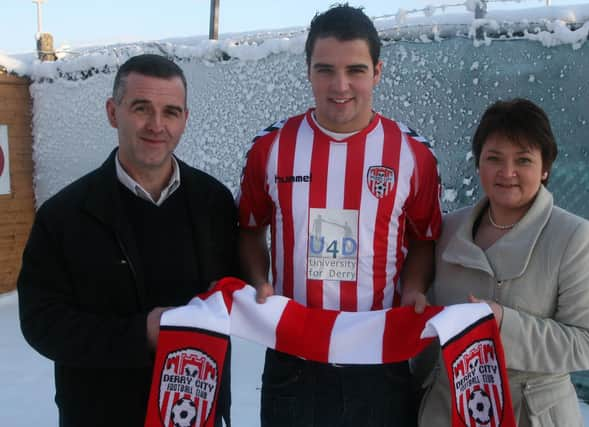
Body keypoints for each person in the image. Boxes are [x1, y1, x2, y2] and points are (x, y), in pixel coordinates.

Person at [236, 4, 442, 427]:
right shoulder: (270, 148)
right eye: (326, 69)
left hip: (379, 356)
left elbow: (424, 238)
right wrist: (260, 282)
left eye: (356, 70)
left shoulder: (413, 154)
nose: (341, 85)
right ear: (308, 71)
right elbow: (250, 230)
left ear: (378, 72)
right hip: (294, 356)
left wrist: (414, 289)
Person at [17, 54, 236, 427]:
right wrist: (140, 335)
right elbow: (41, 322)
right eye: (141, 108)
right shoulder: (65, 215)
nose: (156, 125)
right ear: (112, 112)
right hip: (100, 412)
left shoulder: (213, 201)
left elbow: (232, 285)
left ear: (185, 119)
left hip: (193, 411)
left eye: (170, 111)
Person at [416, 98, 589, 427]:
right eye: (494, 158)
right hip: (448, 410)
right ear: (478, 163)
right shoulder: (447, 230)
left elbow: (588, 344)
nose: (507, 173)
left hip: (531, 413)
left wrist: (502, 324)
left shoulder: (576, 237)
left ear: (545, 167)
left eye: (523, 160)